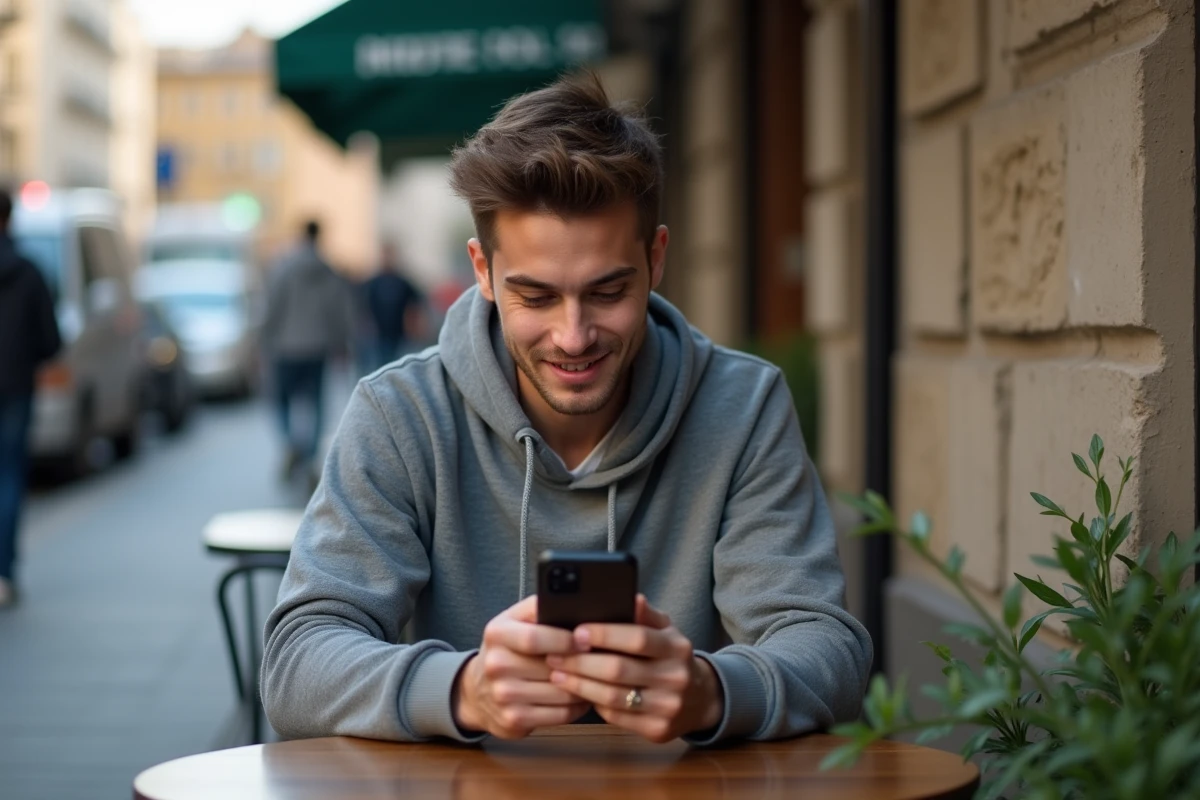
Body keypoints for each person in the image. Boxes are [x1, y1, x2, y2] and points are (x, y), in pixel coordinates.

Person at [262, 74, 871, 745]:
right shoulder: (400, 413)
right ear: (483, 271)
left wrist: (713, 692)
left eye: (607, 291)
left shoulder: (742, 407)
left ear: (657, 258)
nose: (574, 336)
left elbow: (828, 649)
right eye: (537, 296)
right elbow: (296, 662)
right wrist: (462, 691)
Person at [0, 187, 62, 608]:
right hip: (15, 386)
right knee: (8, 478)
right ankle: (2, 572)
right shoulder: (28, 271)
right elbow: (50, 341)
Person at [260, 220, 353, 484]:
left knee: (280, 401)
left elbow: (271, 307)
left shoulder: (284, 268)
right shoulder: (328, 271)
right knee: (317, 404)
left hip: (285, 347)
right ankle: (310, 455)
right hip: (319, 347)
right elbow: (340, 310)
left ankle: (292, 443)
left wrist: (265, 340)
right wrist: (342, 343)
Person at [361, 242, 426, 372]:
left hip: (400, 333)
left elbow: (417, 303)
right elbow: (364, 307)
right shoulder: (374, 282)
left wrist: (415, 325)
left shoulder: (402, 281)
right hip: (379, 333)